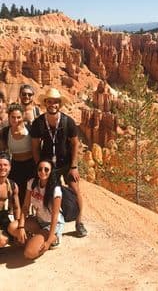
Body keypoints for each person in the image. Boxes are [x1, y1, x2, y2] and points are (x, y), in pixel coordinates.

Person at [31, 88, 87, 237]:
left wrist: (74, 166)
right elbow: (35, 147)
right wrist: (40, 167)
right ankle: (46, 222)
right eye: (49, 101)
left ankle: (79, 223)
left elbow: (75, 144)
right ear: (45, 103)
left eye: (55, 102)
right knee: (46, 194)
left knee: (76, 190)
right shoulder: (38, 123)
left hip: (66, 164)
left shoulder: (68, 122)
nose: (52, 104)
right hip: (48, 166)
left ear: (59, 104)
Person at [9, 159, 64, 259]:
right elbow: (25, 206)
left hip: (51, 225)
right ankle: (36, 239)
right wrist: (21, 227)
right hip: (39, 220)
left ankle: (54, 238)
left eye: (46, 169)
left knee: (29, 253)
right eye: (40, 169)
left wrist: (48, 241)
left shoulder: (55, 190)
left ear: (51, 171)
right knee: (12, 227)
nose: (43, 172)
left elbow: (55, 216)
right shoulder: (32, 183)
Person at [0, 103, 35, 206]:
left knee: (31, 192)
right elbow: (3, 151)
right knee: (17, 193)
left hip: (31, 165)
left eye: (18, 117)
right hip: (15, 165)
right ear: (9, 117)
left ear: (23, 116)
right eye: (13, 117)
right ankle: (18, 218)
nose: (16, 120)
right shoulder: (5, 132)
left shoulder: (30, 130)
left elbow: (38, 147)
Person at [0, 152, 21, 248]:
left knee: (21, 237)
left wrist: (19, 226)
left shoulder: (13, 186)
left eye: (5, 165)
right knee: (2, 240)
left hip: (4, 217)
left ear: (10, 167)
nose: (2, 167)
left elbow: (16, 208)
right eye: (0, 165)